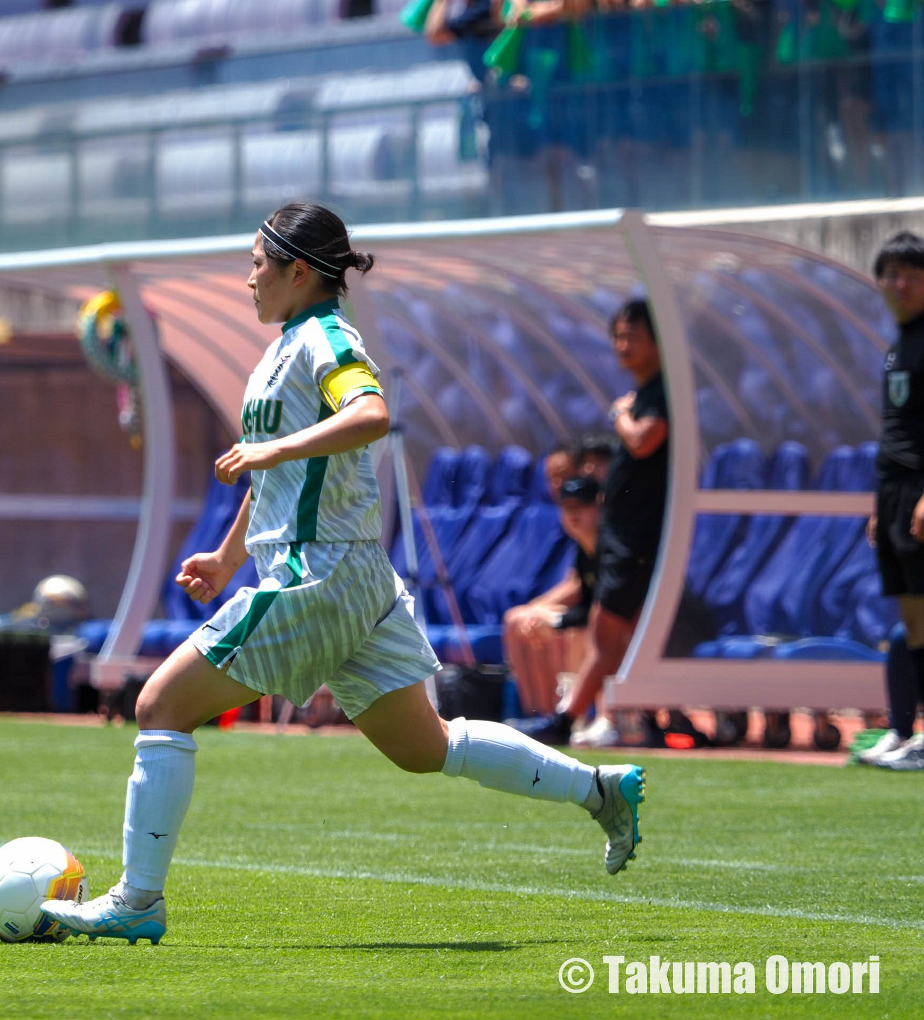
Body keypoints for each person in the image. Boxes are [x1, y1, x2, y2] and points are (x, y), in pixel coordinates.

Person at [41, 202, 647, 945]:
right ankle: (599, 790)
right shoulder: (286, 344)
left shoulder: (327, 337)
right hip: (350, 579)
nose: (249, 278)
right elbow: (283, 476)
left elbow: (369, 413)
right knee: (429, 748)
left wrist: (266, 455)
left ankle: (137, 900)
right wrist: (230, 556)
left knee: (161, 706)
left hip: (317, 576)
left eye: (258, 264)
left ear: (300, 271)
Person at [516, 299, 668, 746]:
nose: (623, 346)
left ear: (657, 342)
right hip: (624, 536)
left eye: (633, 337)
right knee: (606, 631)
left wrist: (620, 414)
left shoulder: (658, 395)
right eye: (617, 337)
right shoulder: (644, 393)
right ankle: (580, 717)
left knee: (605, 629)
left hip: (637, 536)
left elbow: (644, 441)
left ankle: (574, 719)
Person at [861, 231, 924, 770]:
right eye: (891, 274)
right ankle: (910, 734)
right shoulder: (897, 345)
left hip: (921, 491)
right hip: (896, 492)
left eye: (911, 274)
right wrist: (881, 506)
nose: (899, 284)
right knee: (914, 619)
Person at [502, 474, 606, 732]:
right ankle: (546, 713)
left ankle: (581, 717)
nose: (573, 513)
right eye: (567, 507)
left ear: (600, 506)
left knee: (577, 632)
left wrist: (558, 621)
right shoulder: (585, 548)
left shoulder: (611, 547)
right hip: (607, 622)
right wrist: (541, 616)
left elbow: (607, 608)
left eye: (581, 506)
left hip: (646, 629)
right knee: (524, 621)